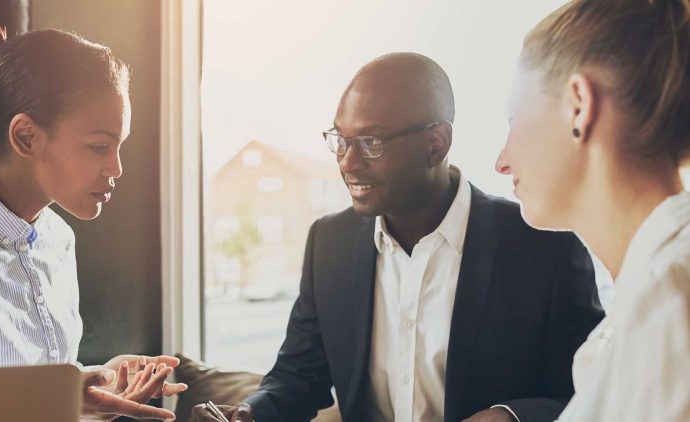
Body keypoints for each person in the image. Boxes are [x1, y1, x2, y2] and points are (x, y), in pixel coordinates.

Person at [191, 53, 604, 422]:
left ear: (436, 144)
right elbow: (299, 375)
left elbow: (592, 391)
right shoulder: (329, 243)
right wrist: (248, 413)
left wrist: (512, 416)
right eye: (340, 140)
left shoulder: (545, 246)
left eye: (371, 142)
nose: (348, 163)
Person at [0, 22, 185, 421]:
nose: (116, 168)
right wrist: (47, 399)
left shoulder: (58, 239)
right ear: (26, 136)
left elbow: (36, 400)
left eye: (119, 145)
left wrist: (93, 390)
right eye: (98, 146)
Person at [494, 0, 690, 420]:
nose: (502, 161)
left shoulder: (669, 303)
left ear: (578, 105)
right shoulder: (647, 297)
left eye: (513, 118)